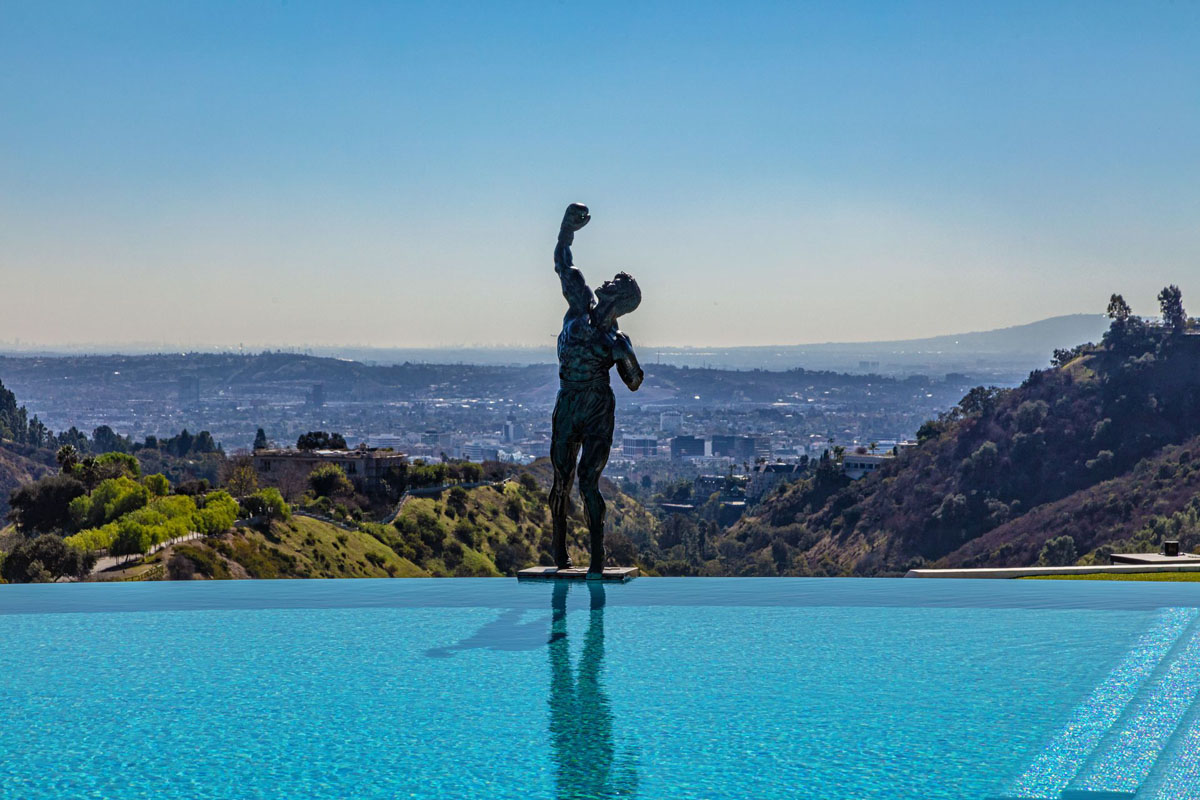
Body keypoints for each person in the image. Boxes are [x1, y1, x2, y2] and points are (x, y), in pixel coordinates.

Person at [550, 203, 644, 575]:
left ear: (621, 299)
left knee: (588, 480)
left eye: (616, 283)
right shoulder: (579, 302)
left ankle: (596, 558)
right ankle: (560, 551)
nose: (608, 281)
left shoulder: (615, 340)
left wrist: (627, 355)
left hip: (597, 405)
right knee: (561, 475)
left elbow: (634, 382)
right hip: (568, 398)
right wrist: (565, 230)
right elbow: (563, 263)